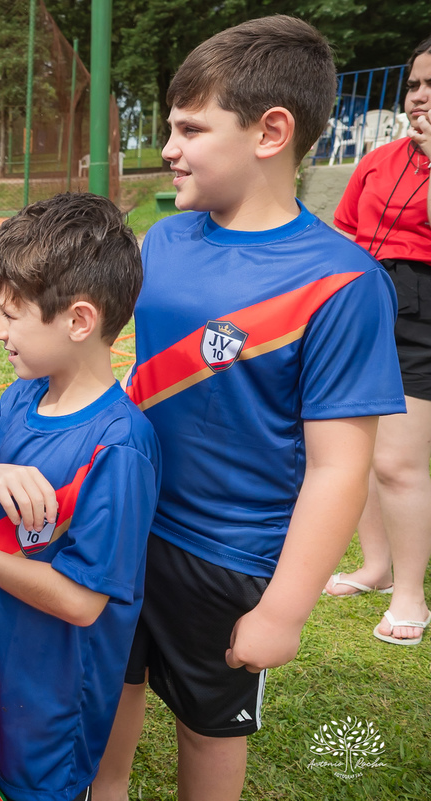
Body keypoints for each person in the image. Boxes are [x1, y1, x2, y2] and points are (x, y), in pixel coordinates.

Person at [92, 17, 406, 801]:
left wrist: (284, 610)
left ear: (271, 131)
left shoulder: (343, 283)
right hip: (130, 524)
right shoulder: (161, 242)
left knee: (208, 726)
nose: (169, 145)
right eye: (169, 126)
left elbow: (340, 468)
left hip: (229, 560)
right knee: (112, 687)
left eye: (190, 127)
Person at [0, 194, 160, 801]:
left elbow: (82, 604)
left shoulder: (119, 446)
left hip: (45, 709)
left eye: (11, 314)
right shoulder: (18, 400)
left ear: (79, 321)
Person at [324, 36, 431, 647]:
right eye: (415, 85)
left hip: (423, 312)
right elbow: (344, 230)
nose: (419, 96)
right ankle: (377, 567)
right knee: (360, 446)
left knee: (398, 460)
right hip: (367, 302)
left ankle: (413, 594)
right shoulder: (379, 160)